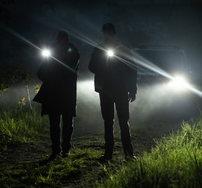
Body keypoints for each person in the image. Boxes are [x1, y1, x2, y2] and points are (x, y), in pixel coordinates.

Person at [88, 22, 138, 162]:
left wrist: (133, 90)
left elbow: (132, 69)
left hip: (114, 90)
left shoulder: (118, 48)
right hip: (110, 90)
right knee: (111, 122)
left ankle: (125, 154)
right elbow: (91, 67)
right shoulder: (101, 49)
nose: (107, 35)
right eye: (106, 32)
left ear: (111, 33)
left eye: (108, 32)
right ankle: (114, 154)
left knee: (121, 121)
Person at [33, 30, 80, 160]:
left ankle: (63, 149)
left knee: (63, 122)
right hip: (61, 92)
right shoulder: (65, 50)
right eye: (59, 40)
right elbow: (41, 71)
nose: (60, 42)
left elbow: (71, 66)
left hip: (62, 92)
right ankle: (59, 149)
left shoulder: (71, 50)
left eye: (61, 40)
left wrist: (50, 78)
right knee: (59, 122)